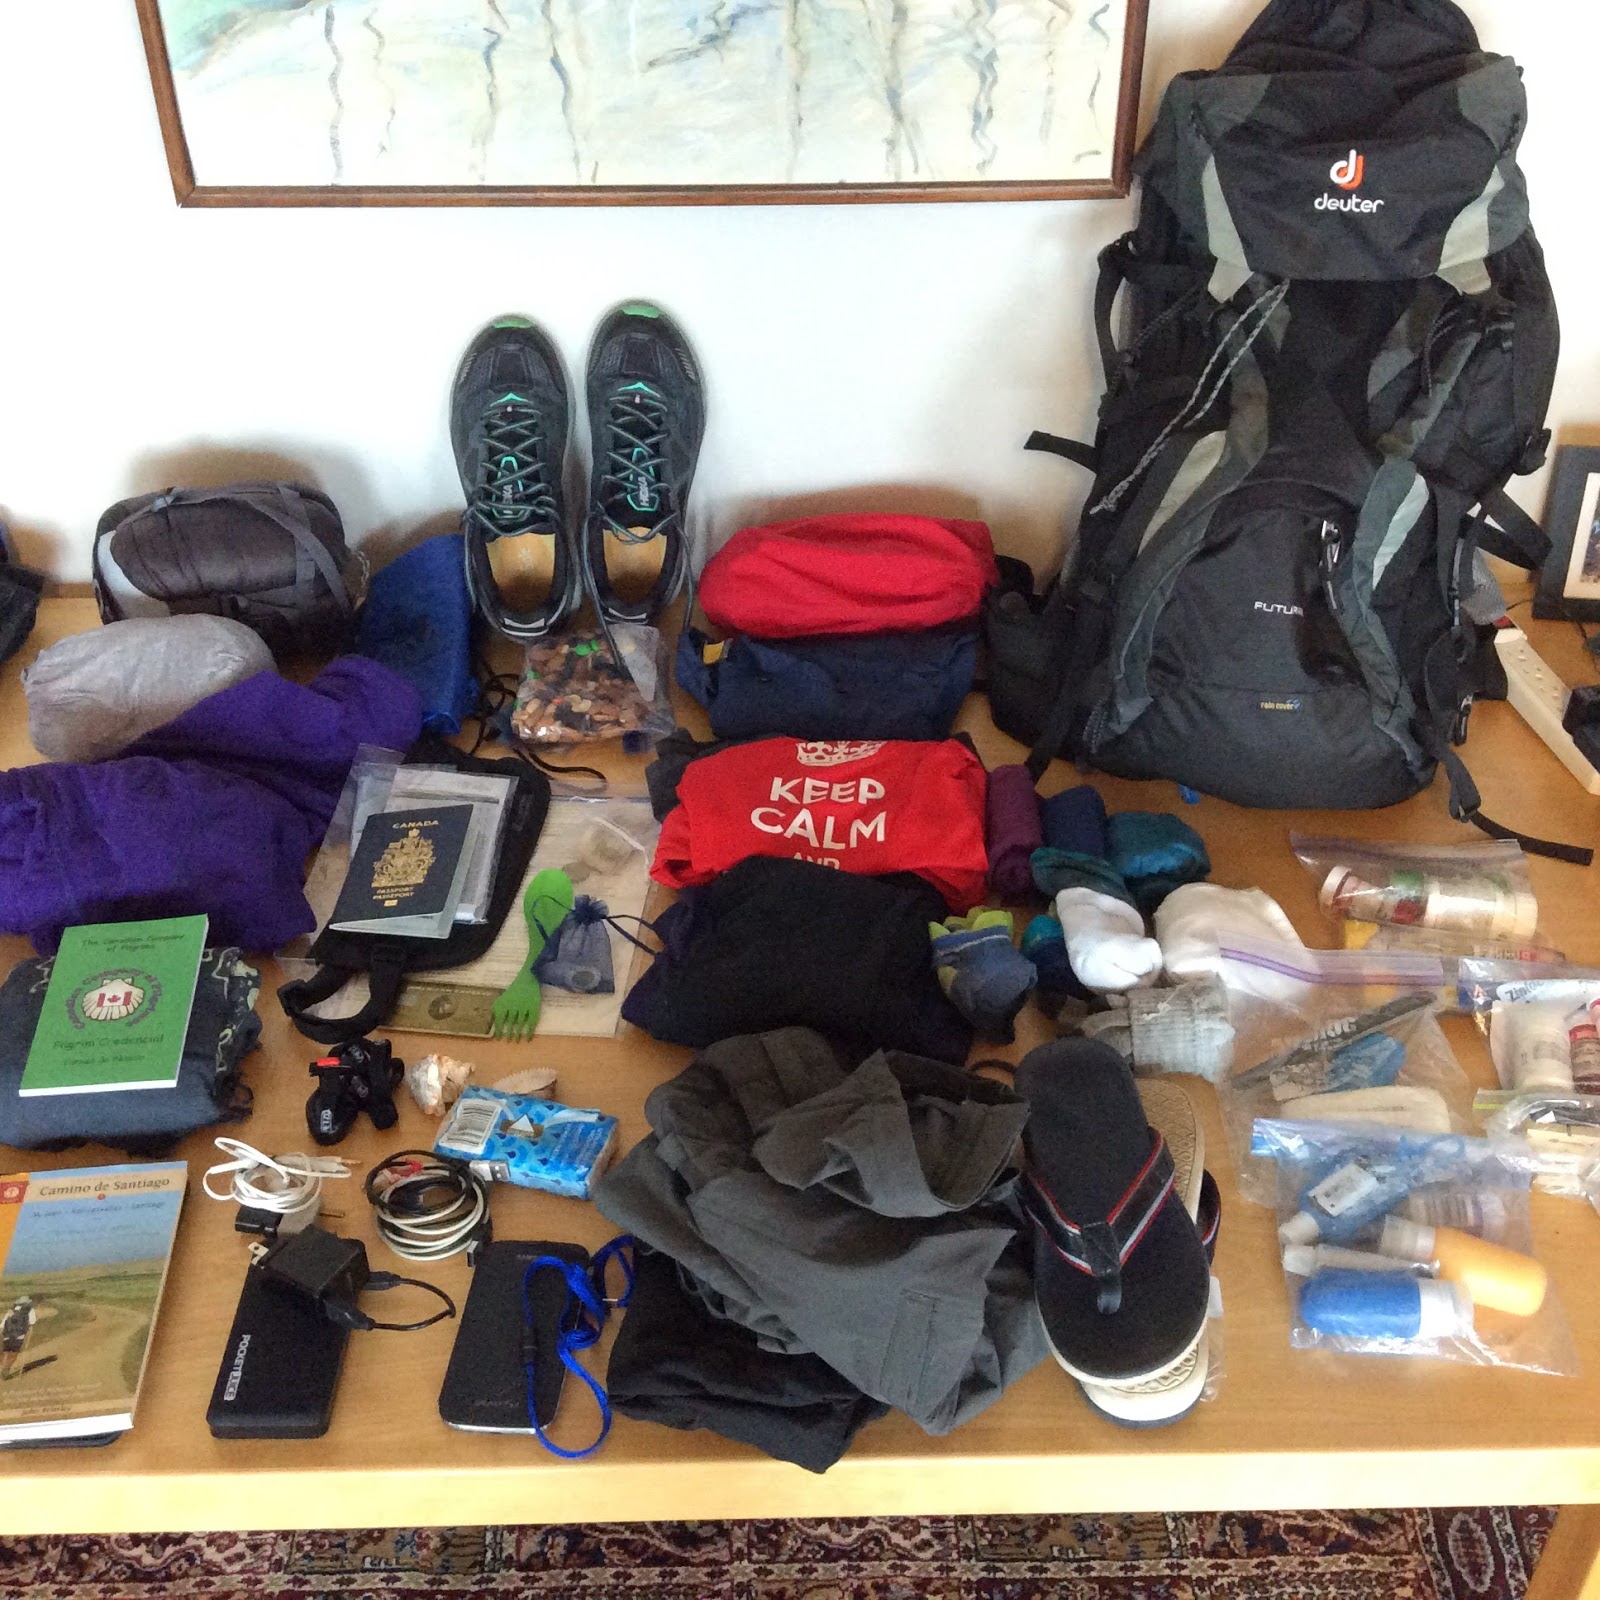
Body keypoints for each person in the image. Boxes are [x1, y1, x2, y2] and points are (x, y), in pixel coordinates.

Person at [0, 1295, 36, 1378]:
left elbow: (3, 1324)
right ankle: (5, 1370)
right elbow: (31, 1323)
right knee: (14, 1353)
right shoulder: (30, 1310)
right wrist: (28, 1334)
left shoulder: (11, 1311)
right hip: (19, 1335)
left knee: (6, 1352)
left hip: (7, 1334)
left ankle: (3, 1368)